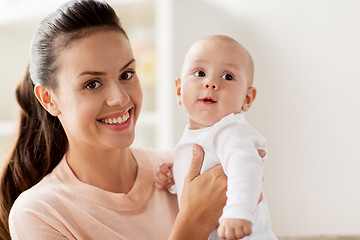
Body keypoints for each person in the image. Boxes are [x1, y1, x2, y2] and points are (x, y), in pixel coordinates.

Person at [0, 1, 230, 239]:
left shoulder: (179, 170)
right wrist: (193, 223)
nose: (120, 98)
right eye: (92, 84)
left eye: (126, 74)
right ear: (49, 99)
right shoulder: (40, 213)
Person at [156, 35, 278, 240]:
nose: (211, 83)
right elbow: (201, 186)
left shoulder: (230, 131)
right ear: (179, 90)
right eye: (200, 73)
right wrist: (175, 179)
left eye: (227, 77)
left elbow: (245, 168)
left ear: (247, 99)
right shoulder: (197, 136)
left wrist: (238, 212)